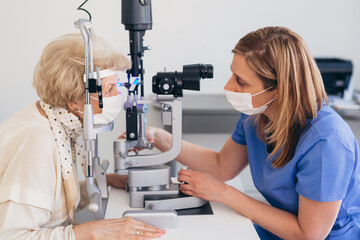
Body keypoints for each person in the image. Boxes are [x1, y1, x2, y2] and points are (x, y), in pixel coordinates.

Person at [140, 27, 360, 239]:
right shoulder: (257, 115)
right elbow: (221, 165)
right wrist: (157, 137)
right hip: (279, 230)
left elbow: (308, 234)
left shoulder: (327, 142)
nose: (229, 86)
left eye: (241, 81)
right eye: (233, 75)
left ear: (280, 88)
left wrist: (223, 193)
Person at [0, 33, 166, 240]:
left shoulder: (56, 123)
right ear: (74, 101)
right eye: (110, 88)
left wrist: (105, 182)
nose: (119, 95)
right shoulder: (37, 142)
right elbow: (10, 236)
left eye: (117, 85)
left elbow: (49, 199)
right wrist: (88, 233)